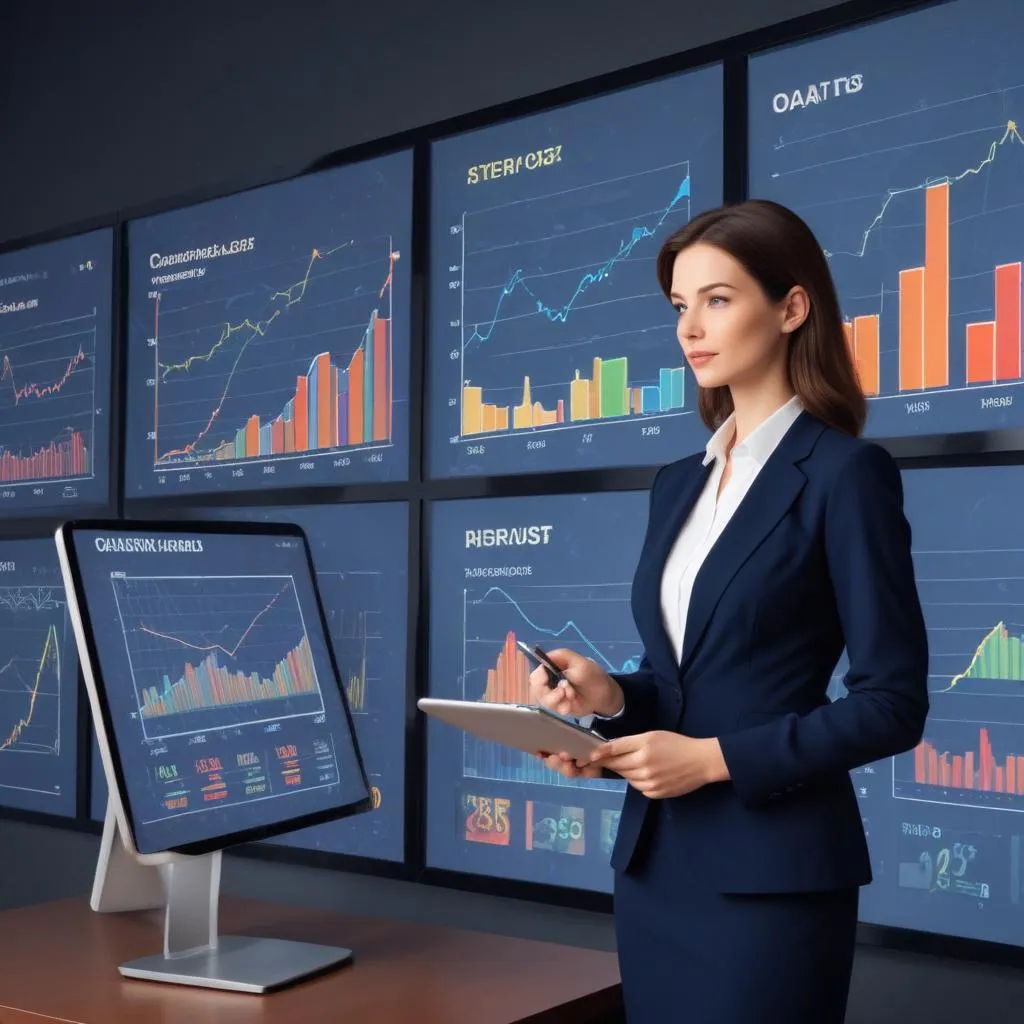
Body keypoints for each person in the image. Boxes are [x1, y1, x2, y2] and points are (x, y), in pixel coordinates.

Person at [528, 199, 929, 1024]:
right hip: (655, 869)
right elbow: (691, 681)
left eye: (717, 299)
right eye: (680, 306)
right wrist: (608, 702)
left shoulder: (845, 475)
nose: (690, 328)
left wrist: (713, 761)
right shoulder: (679, 481)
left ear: (790, 307)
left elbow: (894, 704)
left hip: (771, 880)